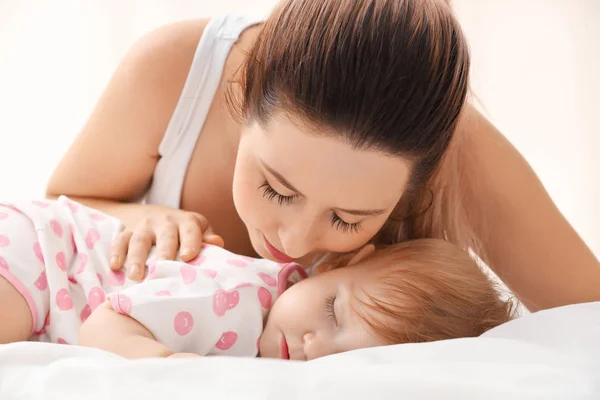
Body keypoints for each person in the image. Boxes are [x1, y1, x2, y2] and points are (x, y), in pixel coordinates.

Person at [45, 0, 600, 313]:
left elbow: (587, 316)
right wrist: (147, 218)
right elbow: (61, 202)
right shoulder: (173, 73)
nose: (293, 242)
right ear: (241, 95)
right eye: (277, 189)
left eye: (348, 220)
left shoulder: (460, 152)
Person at [0, 197, 514, 360]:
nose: (314, 345)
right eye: (333, 310)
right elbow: (103, 329)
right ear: (333, 266)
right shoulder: (236, 299)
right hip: (42, 252)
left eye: (343, 356)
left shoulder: (270, 343)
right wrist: (169, 367)